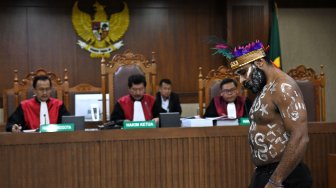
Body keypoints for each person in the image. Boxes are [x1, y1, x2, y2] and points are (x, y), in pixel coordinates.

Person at [213, 40, 312, 187]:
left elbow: (300, 137)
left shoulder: (283, 87)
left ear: (259, 62)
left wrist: (276, 180)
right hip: (265, 173)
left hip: (285, 177)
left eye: (243, 72)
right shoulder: (265, 88)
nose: (242, 81)